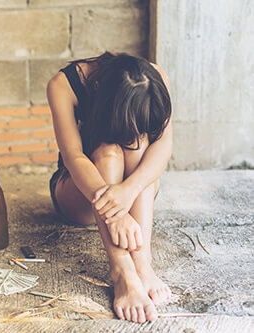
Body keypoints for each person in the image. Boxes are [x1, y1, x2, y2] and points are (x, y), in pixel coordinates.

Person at [47, 51, 173, 323]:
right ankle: (123, 273)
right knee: (109, 153)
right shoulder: (63, 85)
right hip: (80, 191)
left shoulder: (154, 78)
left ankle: (142, 262)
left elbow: (163, 145)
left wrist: (126, 192)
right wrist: (115, 210)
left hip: (132, 191)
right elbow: (74, 157)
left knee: (139, 145)